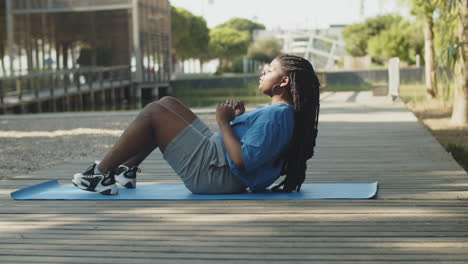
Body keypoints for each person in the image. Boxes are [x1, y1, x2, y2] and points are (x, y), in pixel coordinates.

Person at [72, 54, 320, 195]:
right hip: (217, 159)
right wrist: (238, 119)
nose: (264, 71)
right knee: (168, 103)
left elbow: (243, 160)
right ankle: (125, 170)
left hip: (214, 174)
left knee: (154, 113)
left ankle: (100, 174)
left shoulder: (277, 115)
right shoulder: (280, 112)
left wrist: (223, 123)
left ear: (284, 81)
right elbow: (255, 146)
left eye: (271, 69)